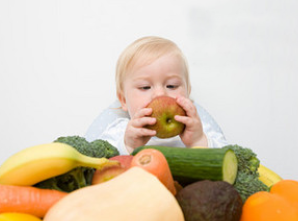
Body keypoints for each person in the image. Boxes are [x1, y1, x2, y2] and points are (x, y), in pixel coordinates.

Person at [85, 36, 228, 155]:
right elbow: (98, 166)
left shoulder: (199, 128)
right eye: (145, 87)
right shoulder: (120, 132)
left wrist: (198, 141)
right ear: (123, 100)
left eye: (171, 86)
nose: (160, 94)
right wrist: (128, 146)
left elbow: (230, 161)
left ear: (187, 92)